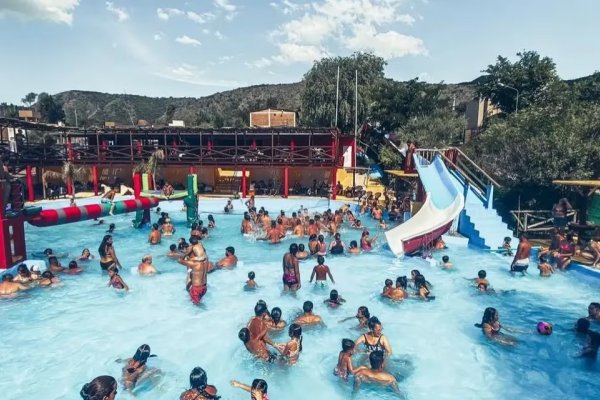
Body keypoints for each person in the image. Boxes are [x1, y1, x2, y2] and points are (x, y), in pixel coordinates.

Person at [179, 237, 209, 305]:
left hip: (196, 288)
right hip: (204, 287)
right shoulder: (206, 260)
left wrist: (186, 255)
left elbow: (179, 260)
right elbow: (203, 250)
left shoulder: (194, 264)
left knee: (196, 306)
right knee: (199, 304)